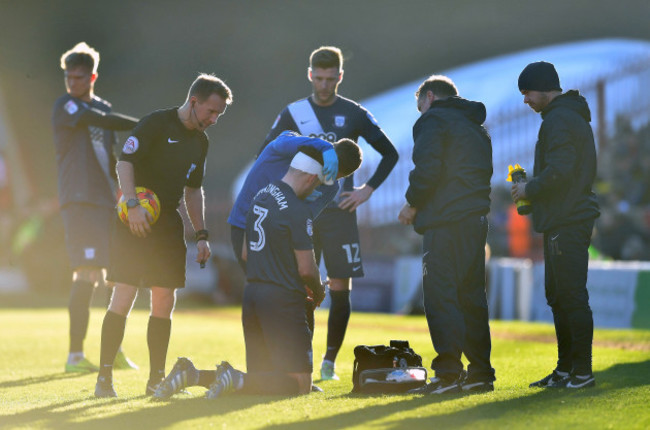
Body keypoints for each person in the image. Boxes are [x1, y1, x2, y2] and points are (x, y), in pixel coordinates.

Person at [152, 145, 362, 400]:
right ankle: (230, 377)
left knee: (259, 380)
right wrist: (318, 290)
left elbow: (244, 254)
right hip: (282, 298)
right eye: (317, 184)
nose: (317, 191)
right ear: (309, 177)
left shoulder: (261, 195)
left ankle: (193, 374)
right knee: (299, 385)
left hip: (252, 295)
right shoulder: (298, 210)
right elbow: (307, 268)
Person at [258, 46, 398, 380]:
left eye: (330, 78)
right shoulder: (294, 112)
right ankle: (301, 359)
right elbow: (265, 154)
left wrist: (366, 191)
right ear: (310, 75)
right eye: (318, 78)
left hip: (337, 211)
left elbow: (390, 154)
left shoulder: (353, 113)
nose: (323, 85)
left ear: (340, 76)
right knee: (301, 284)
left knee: (339, 285)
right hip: (301, 211)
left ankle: (329, 362)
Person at [93, 73, 232, 397]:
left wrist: (201, 235)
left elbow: (193, 190)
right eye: (211, 111)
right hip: (133, 220)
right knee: (124, 295)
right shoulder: (155, 123)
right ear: (194, 101)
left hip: (167, 224)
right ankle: (104, 378)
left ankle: (156, 379)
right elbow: (124, 163)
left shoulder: (201, 142)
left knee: (164, 299)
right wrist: (132, 204)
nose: (213, 119)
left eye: (219, 115)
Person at [398, 75, 495, 394]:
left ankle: (448, 373)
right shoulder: (476, 126)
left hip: (446, 220)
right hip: (475, 219)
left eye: (419, 106)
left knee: (441, 294)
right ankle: (480, 372)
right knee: (471, 295)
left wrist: (412, 203)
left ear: (428, 97)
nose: (419, 113)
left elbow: (427, 168)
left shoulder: (433, 120)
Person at [511, 61, 600, 389]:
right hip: (564, 216)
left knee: (570, 295)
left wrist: (528, 189)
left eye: (527, 92)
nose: (525, 100)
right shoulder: (563, 116)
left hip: (569, 217)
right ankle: (566, 370)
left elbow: (560, 171)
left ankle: (582, 372)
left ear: (544, 86)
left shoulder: (560, 119)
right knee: (559, 295)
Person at [52, 42, 139, 373]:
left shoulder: (103, 107)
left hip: (105, 200)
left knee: (113, 276)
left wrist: (121, 192)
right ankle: (75, 356)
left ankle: (112, 351)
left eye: (78, 77)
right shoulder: (66, 106)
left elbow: (113, 155)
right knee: (87, 272)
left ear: (93, 76)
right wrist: (144, 125)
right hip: (79, 199)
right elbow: (99, 119)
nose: (72, 83)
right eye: (68, 77)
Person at [228, 130, 341, 272]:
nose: (323, 183)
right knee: (262, 280)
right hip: (244, 225)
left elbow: (305, 217)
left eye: (335, 176)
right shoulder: (289, 146)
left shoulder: (330, 187)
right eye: (325, 175)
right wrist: (325, 146)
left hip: (278, 235)